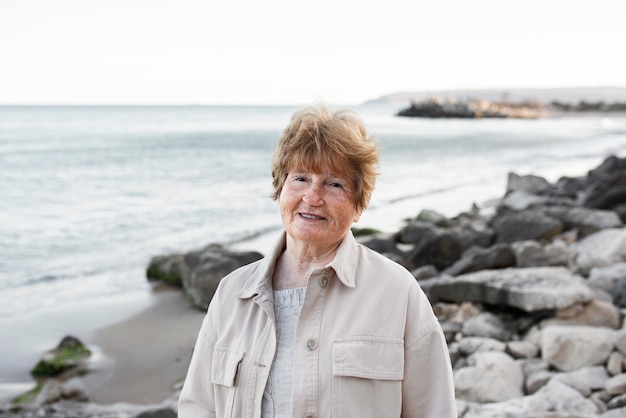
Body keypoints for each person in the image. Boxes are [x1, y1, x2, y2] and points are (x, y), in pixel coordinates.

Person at [178, 103, 457, 417]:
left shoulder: (397, 292)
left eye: (334, 183)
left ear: (358, 205)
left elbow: (434, 411)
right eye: (300, 179)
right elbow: (198, 407)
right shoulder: (232, 293)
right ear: (280, 188)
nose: (312, 197)